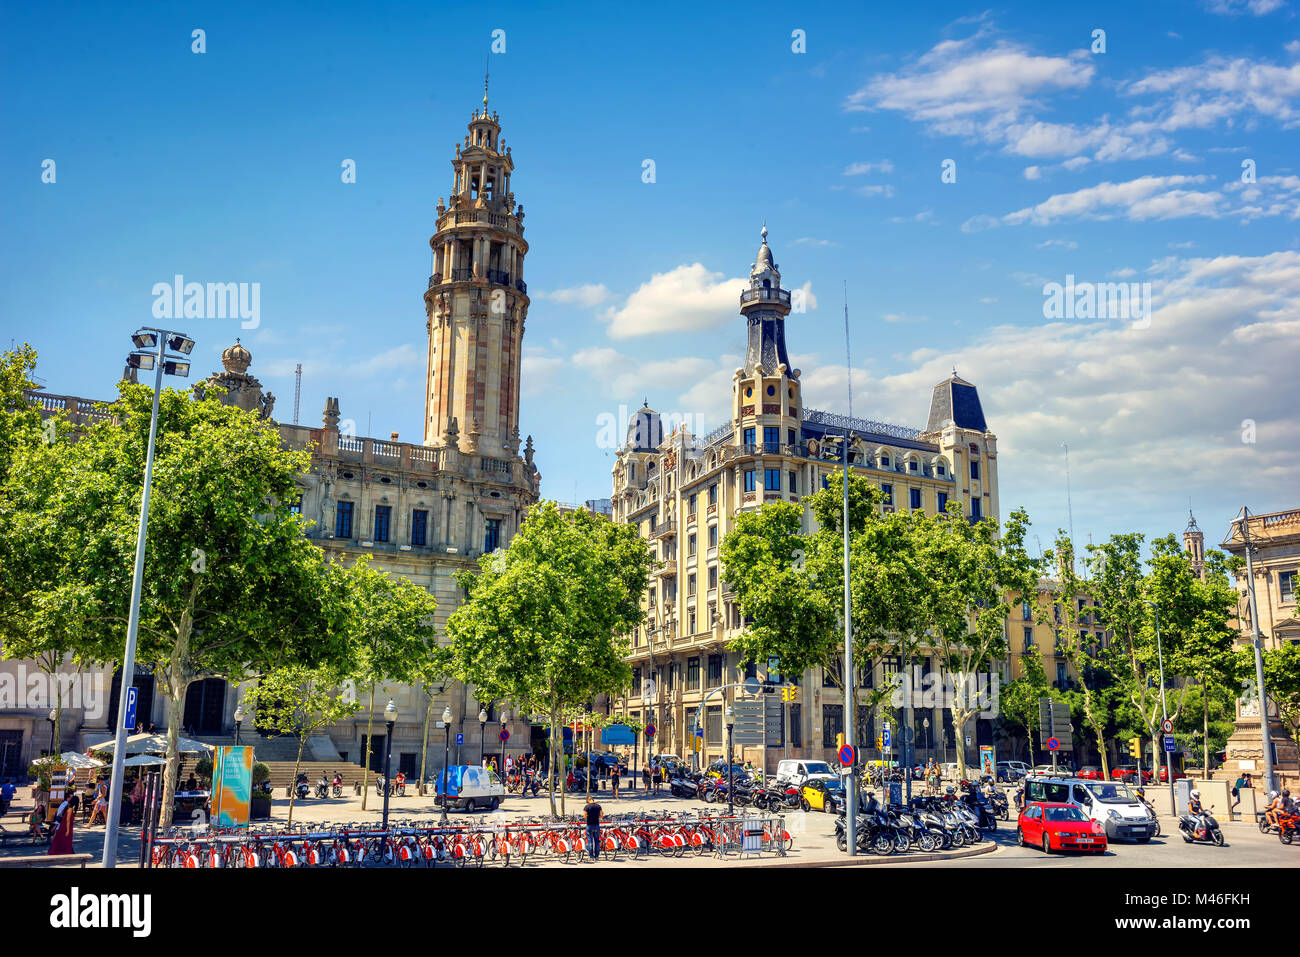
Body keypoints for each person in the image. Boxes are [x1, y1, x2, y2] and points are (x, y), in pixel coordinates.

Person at [48, 791, 79, 856]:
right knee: (62, 840)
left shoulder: (67, 806)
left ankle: (70, 852)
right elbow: (67, 820)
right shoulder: (69, 808)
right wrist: (67, 830)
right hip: (65, 826)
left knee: (60, 839)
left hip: (63, 825)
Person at [584, 795, 603, 860]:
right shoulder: (598, 806)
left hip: (589, 825)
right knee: (597, 841)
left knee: (590, 841)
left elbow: (584, 816)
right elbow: (601, 815)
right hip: (596, 825)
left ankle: (591, 855)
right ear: (593, 800)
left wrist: (589, 817)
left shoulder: (587, 807)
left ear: (588, 801)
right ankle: (597, 856)